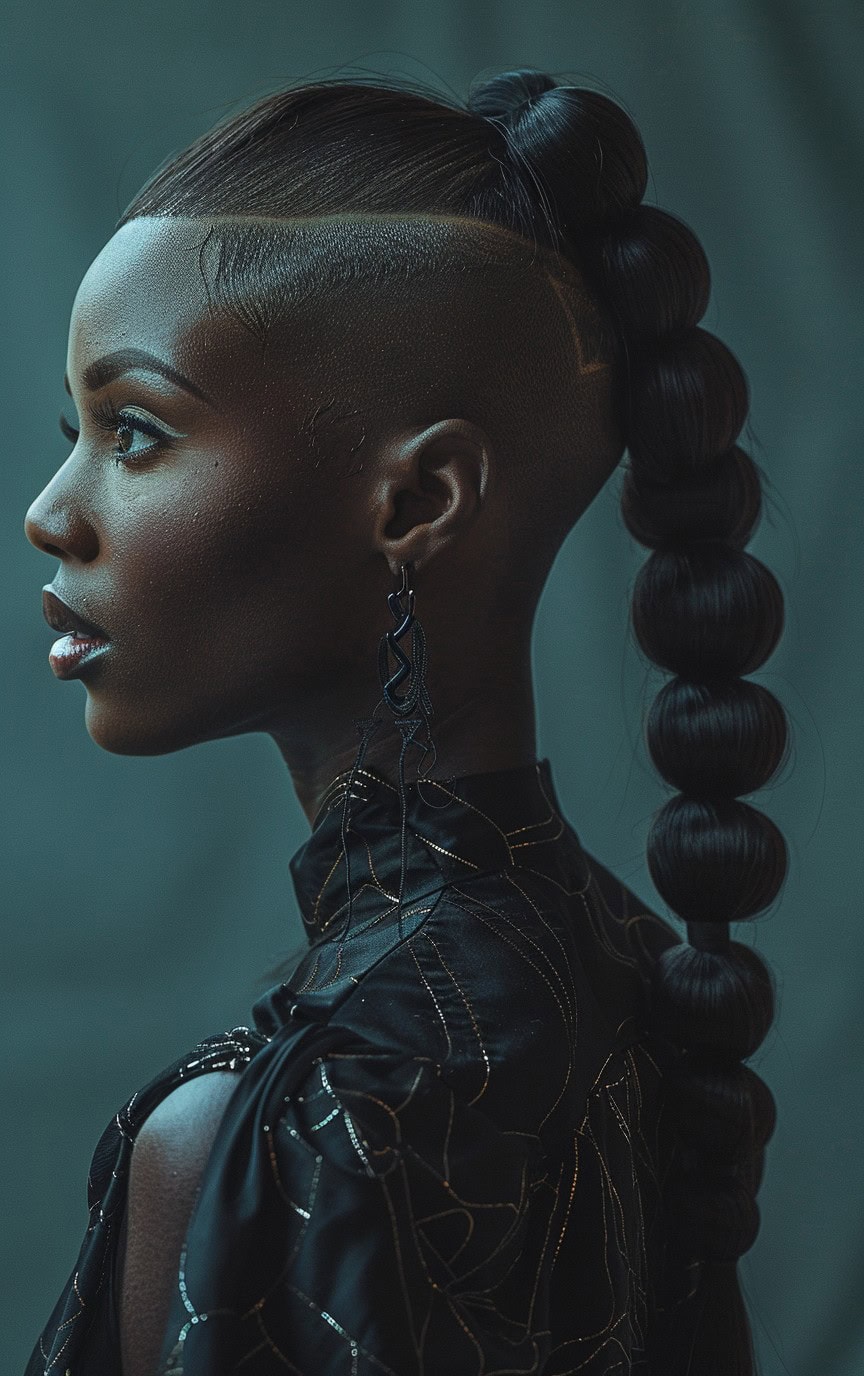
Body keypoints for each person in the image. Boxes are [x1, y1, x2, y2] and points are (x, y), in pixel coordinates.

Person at [23, 67, 788, 1376]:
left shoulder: (258, 1134)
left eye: (135, 431)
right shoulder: (631, 965)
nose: (51, 511)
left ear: (419, 501)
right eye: (71, 431)